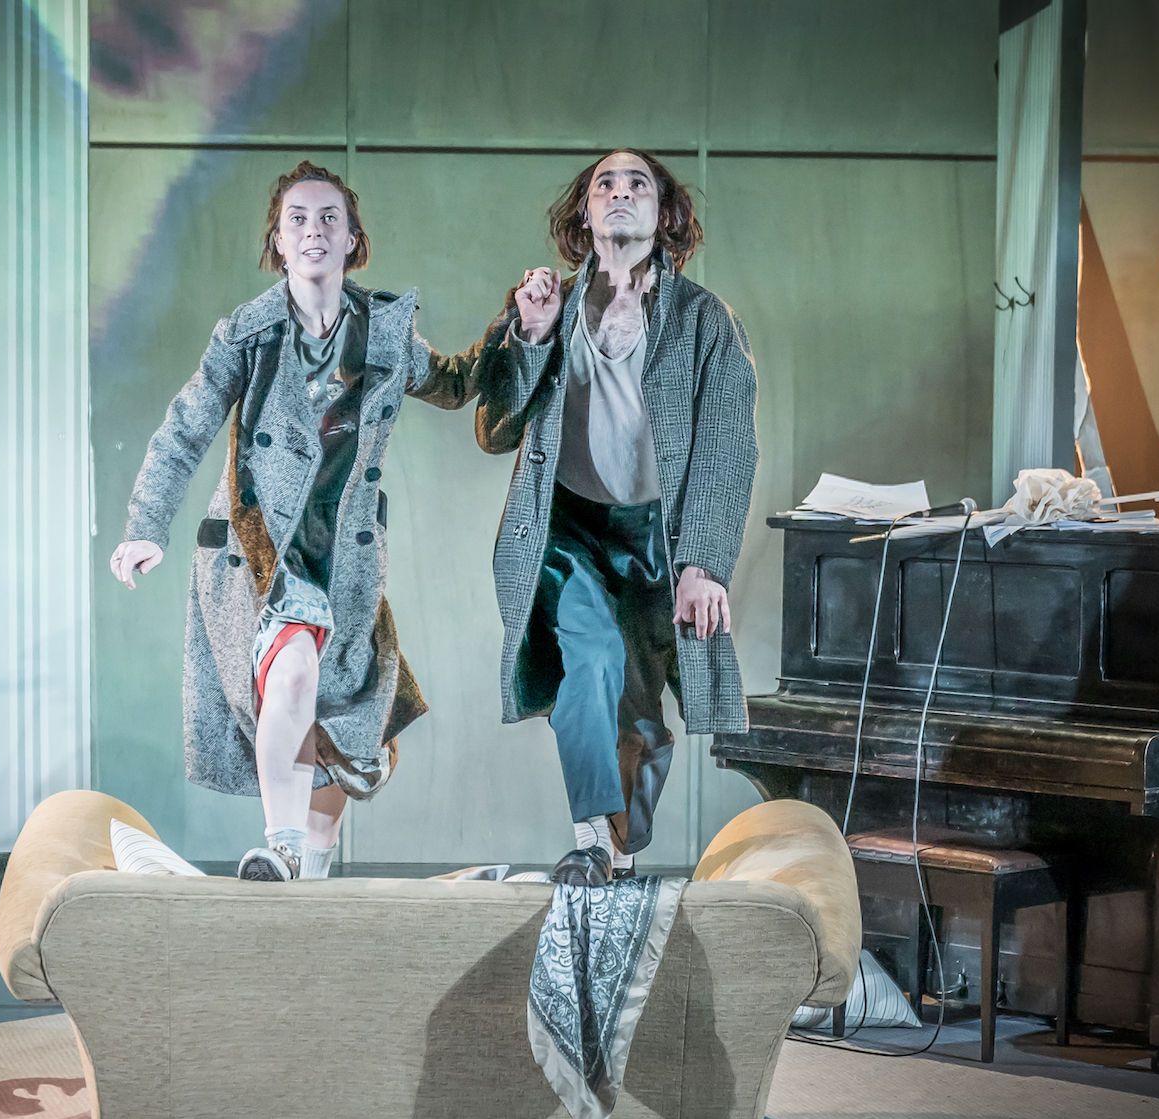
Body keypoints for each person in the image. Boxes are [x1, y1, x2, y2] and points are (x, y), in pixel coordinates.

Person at [111, 161, 480, 881]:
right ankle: (280, 846)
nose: (314, 230)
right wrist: (145, 525)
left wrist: (521, 330)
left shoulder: (384, 333)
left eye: (329, 218)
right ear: (278, 242)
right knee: (292, 671)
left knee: (338, 725)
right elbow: (185, 428)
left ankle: (308, 873)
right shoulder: (247, 335)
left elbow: (456, 383)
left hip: (344, 558)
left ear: (352, 240)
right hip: (262, 555)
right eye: (298, 219)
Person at [477, 149, 759, 884]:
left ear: (664, 214)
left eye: (639, 184)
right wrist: (529, 336)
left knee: (637, 718)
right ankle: (590, 842)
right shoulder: (547, 304)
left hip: (655, 539)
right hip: (567, 530)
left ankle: (619, 843)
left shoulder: (704, 320)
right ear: (585, 211)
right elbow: (495, 428)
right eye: (606, 183)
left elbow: (728, 445)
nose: (621, 192)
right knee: (590, 662)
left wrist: (704, 564)